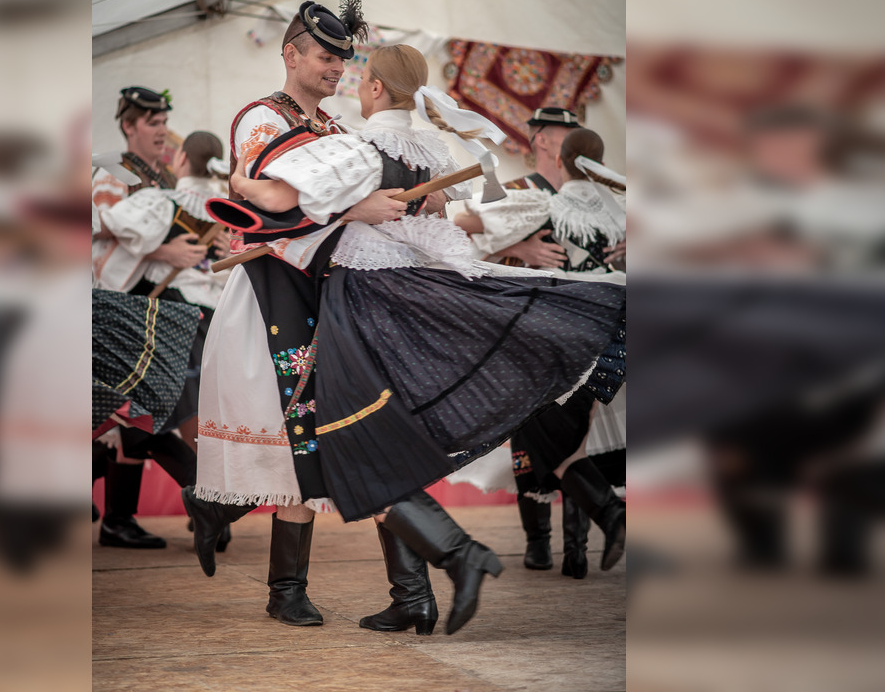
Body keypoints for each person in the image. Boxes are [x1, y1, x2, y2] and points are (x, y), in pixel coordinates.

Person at [206, 44, 627, 634]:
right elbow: (440, 222)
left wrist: (240, 181)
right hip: (402, 300)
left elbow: (277, 199)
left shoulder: (355, 145)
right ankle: (416, 590)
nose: (346, 79)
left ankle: (436, 568)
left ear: (375, 88)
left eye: (357, 76)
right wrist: (372, 212)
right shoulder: (429, 150)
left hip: (358, 302)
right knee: (374, 438)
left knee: (358, 438)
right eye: (328, 59)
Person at [182, 0, 409, 628]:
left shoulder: (337, 130)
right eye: (325, 56)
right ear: (290, 54)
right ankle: (285, 590)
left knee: (314, 436)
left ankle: (222, 517)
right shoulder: (261, 118)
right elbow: (263, 208)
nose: (338, 67)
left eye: (343, 58)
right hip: (271, 291)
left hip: (323, 291)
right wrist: (355, 208)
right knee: (296, 436)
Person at [453, 119, 627, 576]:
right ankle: (576, 550)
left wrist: (516, 241)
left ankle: (605, 521)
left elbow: (467, 220)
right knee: (574, 438)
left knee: (546, 437)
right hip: (612, 339)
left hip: (556, 337)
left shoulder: (544, 203)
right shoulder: (622, 212)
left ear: (562, 159)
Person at [90, 87, 209, 549]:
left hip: (150, 299)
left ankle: (118, 517)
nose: (162, 131)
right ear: (129, 126)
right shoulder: (113, 168)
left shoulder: (161, 175)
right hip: (116, 301)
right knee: (134, 411)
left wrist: (203, 242)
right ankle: (204, 496)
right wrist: (165, 251)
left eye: (164, 123)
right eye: (153, 123)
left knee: (136, 411)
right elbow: (98, 224)